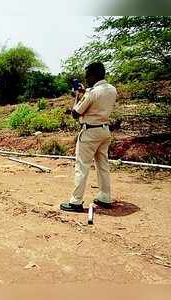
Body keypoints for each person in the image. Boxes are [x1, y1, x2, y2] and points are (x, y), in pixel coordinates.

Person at [60, 62, 117, 212]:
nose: (86, 79)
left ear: (94, 75)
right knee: (103, 165)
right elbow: (97, 97)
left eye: (88, 76)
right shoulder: (112, 90)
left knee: (82, 166)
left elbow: (75, 113)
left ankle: (76, 202)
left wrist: (78, 96)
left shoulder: (92, 93)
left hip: (90, 132)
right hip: (104, 131)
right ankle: (105, 197)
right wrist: (85, 91)